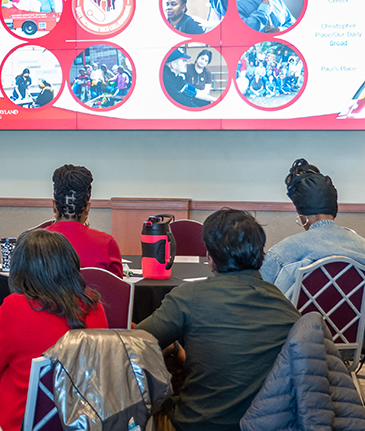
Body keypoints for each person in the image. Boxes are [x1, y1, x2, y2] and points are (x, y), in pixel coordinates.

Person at [137, 209, 300, 431]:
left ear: (210, 258)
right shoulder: (285, 306)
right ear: (261, 255)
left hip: (198, 424)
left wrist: (173, 348)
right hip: (267, 425)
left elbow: (132, 343)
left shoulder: (188, 296)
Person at [0, 229, 108, 431]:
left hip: (21, 423)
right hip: (83, 422)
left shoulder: (14, 307)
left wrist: (16, 377)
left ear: (20, 269)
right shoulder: (93, 306)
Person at [261, 159, 365, 301]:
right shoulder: (361, 246)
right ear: (333, 209)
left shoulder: (282, 253)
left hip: (297, 316)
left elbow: (259, 290)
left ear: (303, 217)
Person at [43, 164, 123, 276]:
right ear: (87, 208)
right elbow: (115, 285)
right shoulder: (107, 243)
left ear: (54, 206)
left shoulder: (31, 244)